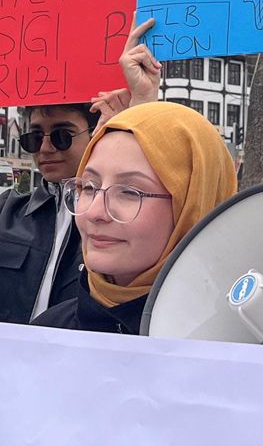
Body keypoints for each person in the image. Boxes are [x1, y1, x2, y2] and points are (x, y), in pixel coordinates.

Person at [0, 20, 161, 325]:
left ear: (95, 131)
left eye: (62, 136)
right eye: (33, 137)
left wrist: (139, 109)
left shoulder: (113, 218)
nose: (45, 148)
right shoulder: (7, 211)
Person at [34, 100, 237, 334]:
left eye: (130, 192)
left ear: (194, 204)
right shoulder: (46, 334)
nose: (94, 212)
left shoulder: (243, 341)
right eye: (89, 187)